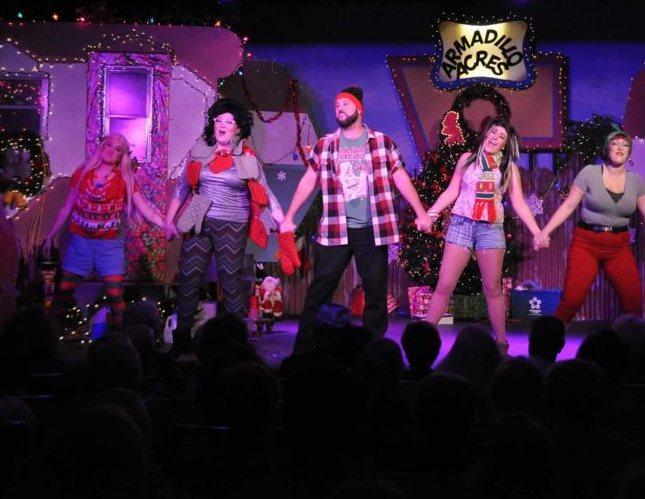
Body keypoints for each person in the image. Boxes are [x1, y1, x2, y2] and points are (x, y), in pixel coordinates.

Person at [280, 86, 433, 354]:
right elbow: (308, 180)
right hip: (336, 228)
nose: (339, 108)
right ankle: (303, 350)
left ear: (359, 109)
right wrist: (290, 215)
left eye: (345, 105)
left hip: (373, 228)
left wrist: (421, 212)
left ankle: (372, 352)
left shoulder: (382, 142)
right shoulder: (326, 144)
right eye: (336, 105)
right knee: (320, 290)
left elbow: (400, 178)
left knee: (375, 292)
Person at [163, 97, 286, 355]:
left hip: (233, 220)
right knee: (188, 278)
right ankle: (182, 338)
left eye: (229, 121)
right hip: (199, 216)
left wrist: (281, 218)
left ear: (238, 128)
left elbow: (264, 190)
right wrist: (168, 220)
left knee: (230, 280)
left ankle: (234, 341)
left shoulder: (248, 157)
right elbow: (182, 189)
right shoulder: (199, 152)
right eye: (219, 119)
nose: (222, 125)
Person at [423, 118, 547, 353]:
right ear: (485, 134)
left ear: (505, 145)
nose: (495, 138)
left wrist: (537, 231)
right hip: (461, 223)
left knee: (492, 288)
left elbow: (519, 203)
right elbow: (452, 191)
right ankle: (424, 338)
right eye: (493, 132)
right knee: (445, 285)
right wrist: (431, 214)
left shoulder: (507, 168)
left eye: (501, 137)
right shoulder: (467, 159)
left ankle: (501, 342)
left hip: (490, 228)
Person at [540, 128, 645, 323]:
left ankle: (634, 349)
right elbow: (569, 205)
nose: (620, 147)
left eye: (625, 144)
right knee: (571, 301)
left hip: (619, 247)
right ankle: (546, 346)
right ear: (607, 149)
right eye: (615, 143)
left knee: (634, 303)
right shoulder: (589, 173)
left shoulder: (636, 181)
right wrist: (545, 232)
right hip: (586, 244)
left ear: (629, 152)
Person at [43, 133, 165, 332]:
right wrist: (50, 235)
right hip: (80, 242)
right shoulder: (82, 173)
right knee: (63, 293)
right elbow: (66, 208)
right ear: (101, 147)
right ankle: (49, 339)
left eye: (118, 149)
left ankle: (120, 341)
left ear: (121, 156)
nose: (111, 150)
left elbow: (147, 209)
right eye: (108, 145)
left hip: (109, 244)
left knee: (115, 294)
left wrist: (166, 225)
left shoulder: (126, 179)